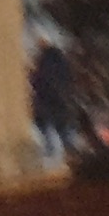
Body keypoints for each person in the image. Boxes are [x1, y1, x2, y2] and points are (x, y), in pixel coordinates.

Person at [27, 31, 76, 163]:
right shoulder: (60, 58)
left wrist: (33, 77)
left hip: (49, 101)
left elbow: (42, 80)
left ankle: (53, 155)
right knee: (62, 128)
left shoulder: (45, 60)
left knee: (49, 128)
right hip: (59, 100)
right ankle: (70, 152)